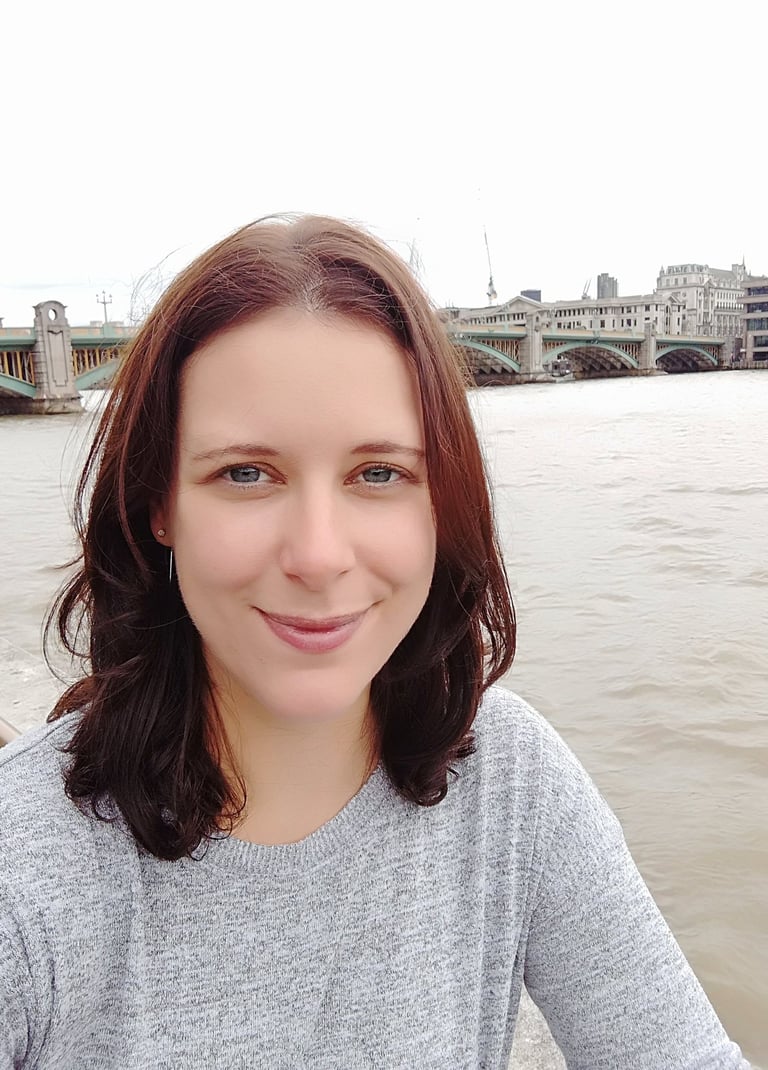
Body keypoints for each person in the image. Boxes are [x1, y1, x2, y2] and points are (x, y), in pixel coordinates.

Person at [0, 216, 752, 1069]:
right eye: (246, 473)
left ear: (442, 504)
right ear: (158, 505)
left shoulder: (510, 781)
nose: (319, 555)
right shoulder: (25, 866)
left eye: (379, 473)